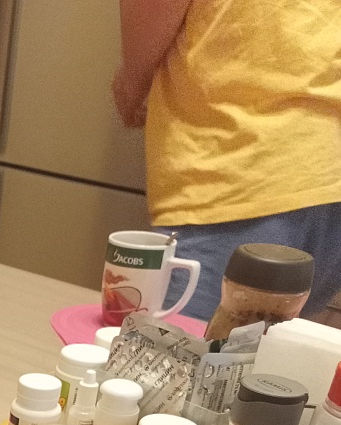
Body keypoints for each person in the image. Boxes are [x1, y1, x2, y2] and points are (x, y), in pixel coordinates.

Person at [113, 0, 341, 322]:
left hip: (239, 170)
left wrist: (131, 83)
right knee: (271, 349)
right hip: (326, 177)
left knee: (185, 348)